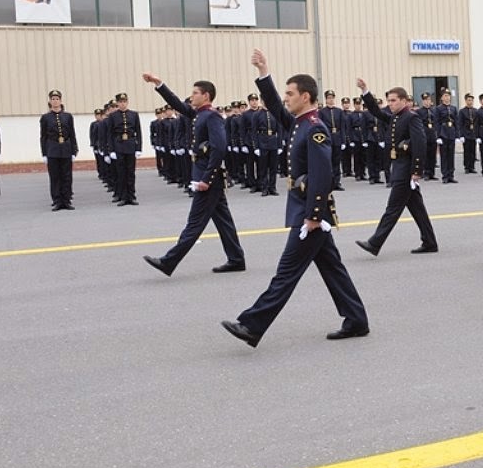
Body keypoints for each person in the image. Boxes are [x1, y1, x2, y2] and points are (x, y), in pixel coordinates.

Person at [221, 49, 368, 346]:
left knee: (286, 272)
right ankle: (356, 319)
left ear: (306, 96)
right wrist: (264, 73)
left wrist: (313, 216)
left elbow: (321, 176)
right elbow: (275, 106)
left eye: (291, 93)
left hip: (310, 215)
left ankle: (252, 324)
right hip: (305, 210)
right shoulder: (299, 123)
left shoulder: (315, 129)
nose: (286, 98)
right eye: (285, 93)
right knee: (332, 268)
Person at [141, 73, 246, 276]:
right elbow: (177, 104)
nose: (191, 96)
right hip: (205, 175)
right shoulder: (200, 114)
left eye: (195, 93)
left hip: (208, 179)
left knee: (195, 223)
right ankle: (236, 259)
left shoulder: (212, 116)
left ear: (206, 96)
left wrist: (206, 178)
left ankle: (168, 261)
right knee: (223, 220)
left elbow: (219, 148)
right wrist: (158, 84)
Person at [354, 77, 438, 256]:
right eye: (389, 101)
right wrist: (365, 91)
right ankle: (430, 242)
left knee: (392, 209)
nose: (389, 104)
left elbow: (420, 144)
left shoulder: (411, 118)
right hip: (398, 166)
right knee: (417, 208)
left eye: (393, 101)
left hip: (405, 169)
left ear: (404, 101)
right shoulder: (395, 117)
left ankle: (375, 243)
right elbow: (376, 111)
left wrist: (416, 171)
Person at [39, 90, 78, 211]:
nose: (55, 101)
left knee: (66, 176)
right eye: (53, 99)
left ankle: (66, 200)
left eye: (57, 99)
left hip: (66, 148)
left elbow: (72, 133)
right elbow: (43, 136)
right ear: (50, 101)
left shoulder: (67, 116)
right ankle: (57, 200)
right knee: (55, 176)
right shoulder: (45, 118)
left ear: (61, 101)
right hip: (52, 149)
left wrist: (74, 150)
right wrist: (44, 153)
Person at [102, 93, 142, 206]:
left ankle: (131, 196)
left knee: (131, 173)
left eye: (124, 101)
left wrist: (138, 148)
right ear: (117, 103)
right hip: (119, 145)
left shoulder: (133, 115)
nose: (122, 104)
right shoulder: (113, 116)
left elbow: (138, 132)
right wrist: (111, 150)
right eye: (120, 102)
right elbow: (109, 134)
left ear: (127, 102)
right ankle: (123, 196)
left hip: (130, 145)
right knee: (121, 173)